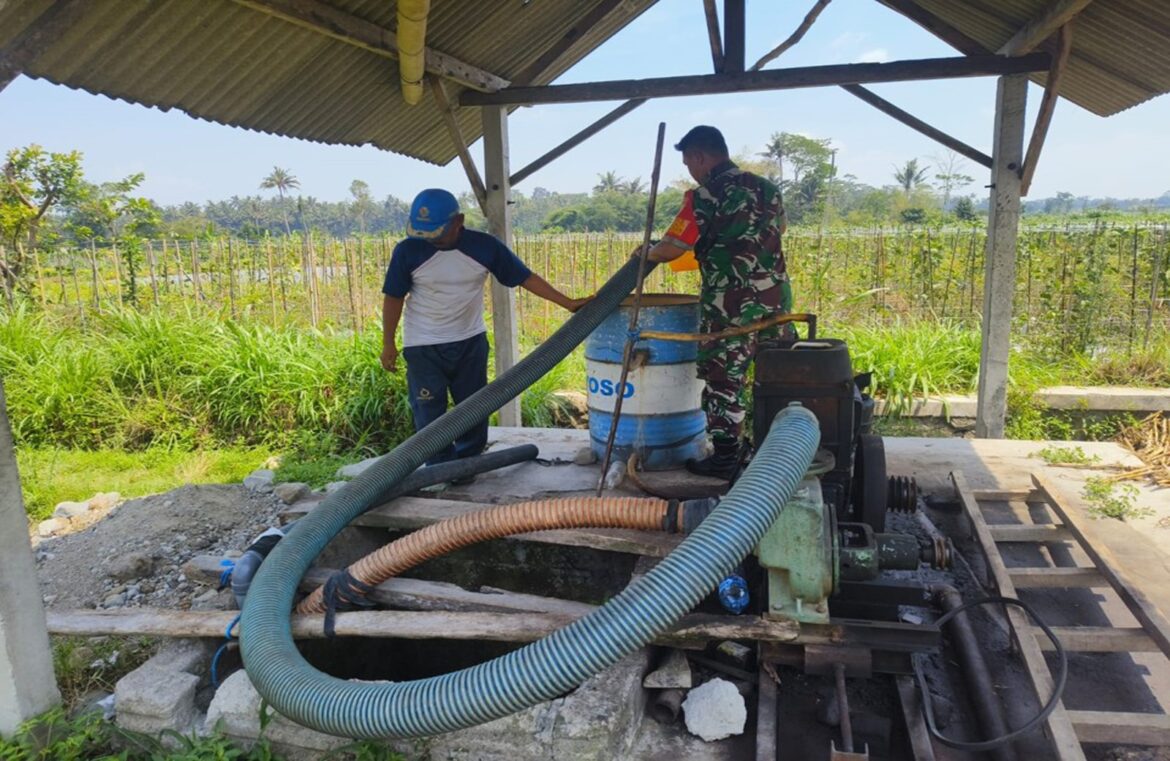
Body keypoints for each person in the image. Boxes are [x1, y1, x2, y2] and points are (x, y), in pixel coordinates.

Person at [381, 189, 587, 468]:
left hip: (469, 341)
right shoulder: (407, 250)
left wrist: (567, 303)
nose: (431, 240)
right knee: (429, 411)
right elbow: (393, 297)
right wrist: (388, 343)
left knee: (474, 407)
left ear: (459, 221)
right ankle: (437, 468)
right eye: (424, 233)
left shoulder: (484, 247)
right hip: (423, 344)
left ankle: (468, 465)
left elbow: (524, 277)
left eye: (437, 232)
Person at [643, 125, 791, 480]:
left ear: (700, 156)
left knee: (724, 377)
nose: (690, 171)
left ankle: (726, 459)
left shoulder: (704, 196)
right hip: (774, 299)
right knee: (779, 373)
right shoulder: (768, 188)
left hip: (731, 304)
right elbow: (780, 229)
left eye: (688, 163)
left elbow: (673, 247)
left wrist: (647, 252)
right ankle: (781, 449)